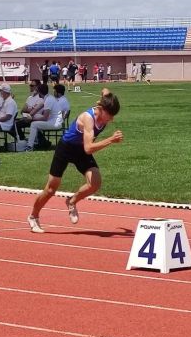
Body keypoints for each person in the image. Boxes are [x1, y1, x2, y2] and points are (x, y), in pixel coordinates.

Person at [27, 88, 123, 233]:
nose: (111, 119)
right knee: (51, 189)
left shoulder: (105, 107)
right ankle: (33, 216)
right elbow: (89, 148)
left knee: (95, 183)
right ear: (101, 109)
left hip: (80, 150)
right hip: (66, 148)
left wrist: (104, 94)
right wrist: (111, 140)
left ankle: (71, 201)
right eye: (109, 115)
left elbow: (105, 91)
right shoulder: (88, 118)